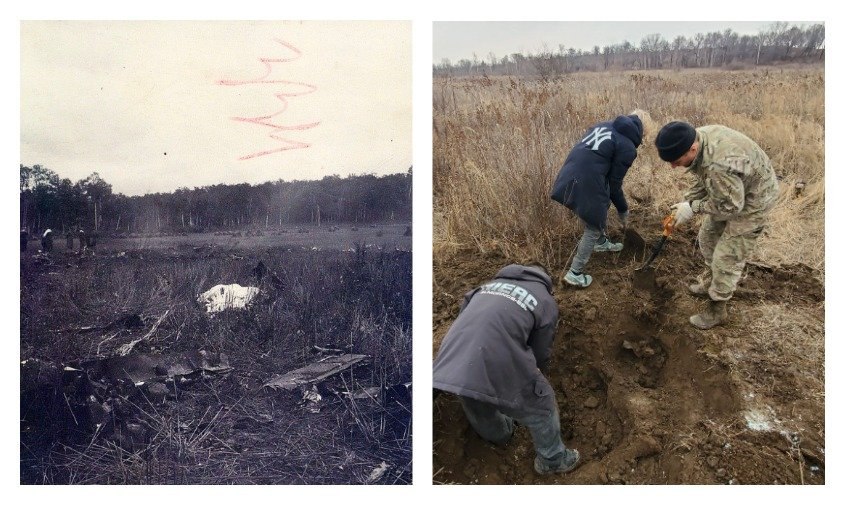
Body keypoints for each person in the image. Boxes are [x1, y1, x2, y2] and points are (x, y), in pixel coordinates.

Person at [433, 264, 580, 475]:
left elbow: (464, 318)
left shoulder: (484, 288)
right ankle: (553, 460)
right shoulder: (545, 299)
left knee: (474, 393)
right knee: (542, 406)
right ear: (546, 282)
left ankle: (501, 436)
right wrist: (534, 385)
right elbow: (540, 352)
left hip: (452, 360)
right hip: (496, 357)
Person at [655, 121, 779, 329]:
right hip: (731, 192)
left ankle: (717, 309)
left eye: (676, 161)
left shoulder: (718, 164)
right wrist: (685, 203)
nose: (673, 166)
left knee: (726, 257)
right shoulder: (697, 137)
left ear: (692, 149)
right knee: (708, 237)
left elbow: (731, 207)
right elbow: (702, 176)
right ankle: (712, 281)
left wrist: (693, 207)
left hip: (755, 200)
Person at [550, 112, 645, 288]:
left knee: (597, 205)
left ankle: (601, 243)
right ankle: (574, 273)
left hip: (569, 174)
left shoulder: (603, 125)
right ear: (639, 134)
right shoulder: (627, 147)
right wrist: (623, 210)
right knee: (593, 225)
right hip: (588, 180)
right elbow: (614, 184)